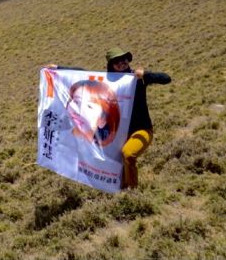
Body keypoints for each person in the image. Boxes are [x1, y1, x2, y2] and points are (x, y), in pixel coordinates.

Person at [45, 47, 171, 189]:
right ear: (111, 65)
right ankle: (121, 191)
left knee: (128, 154)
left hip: (141, 129)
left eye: (124, 59)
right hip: (118, 135)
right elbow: (82, 74)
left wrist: (146, 75)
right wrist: (58, 68)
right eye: (116, 61)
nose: (121, 63)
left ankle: (134, 193)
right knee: (116, 164)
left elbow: (167, 79)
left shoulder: (136, 78)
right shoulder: (107, 82)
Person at [66, 79, 121, 147]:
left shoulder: (102, 153)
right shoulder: (53, 139)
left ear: (103, 120)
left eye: (89, 106)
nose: (78, 111)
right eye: (76, 102)